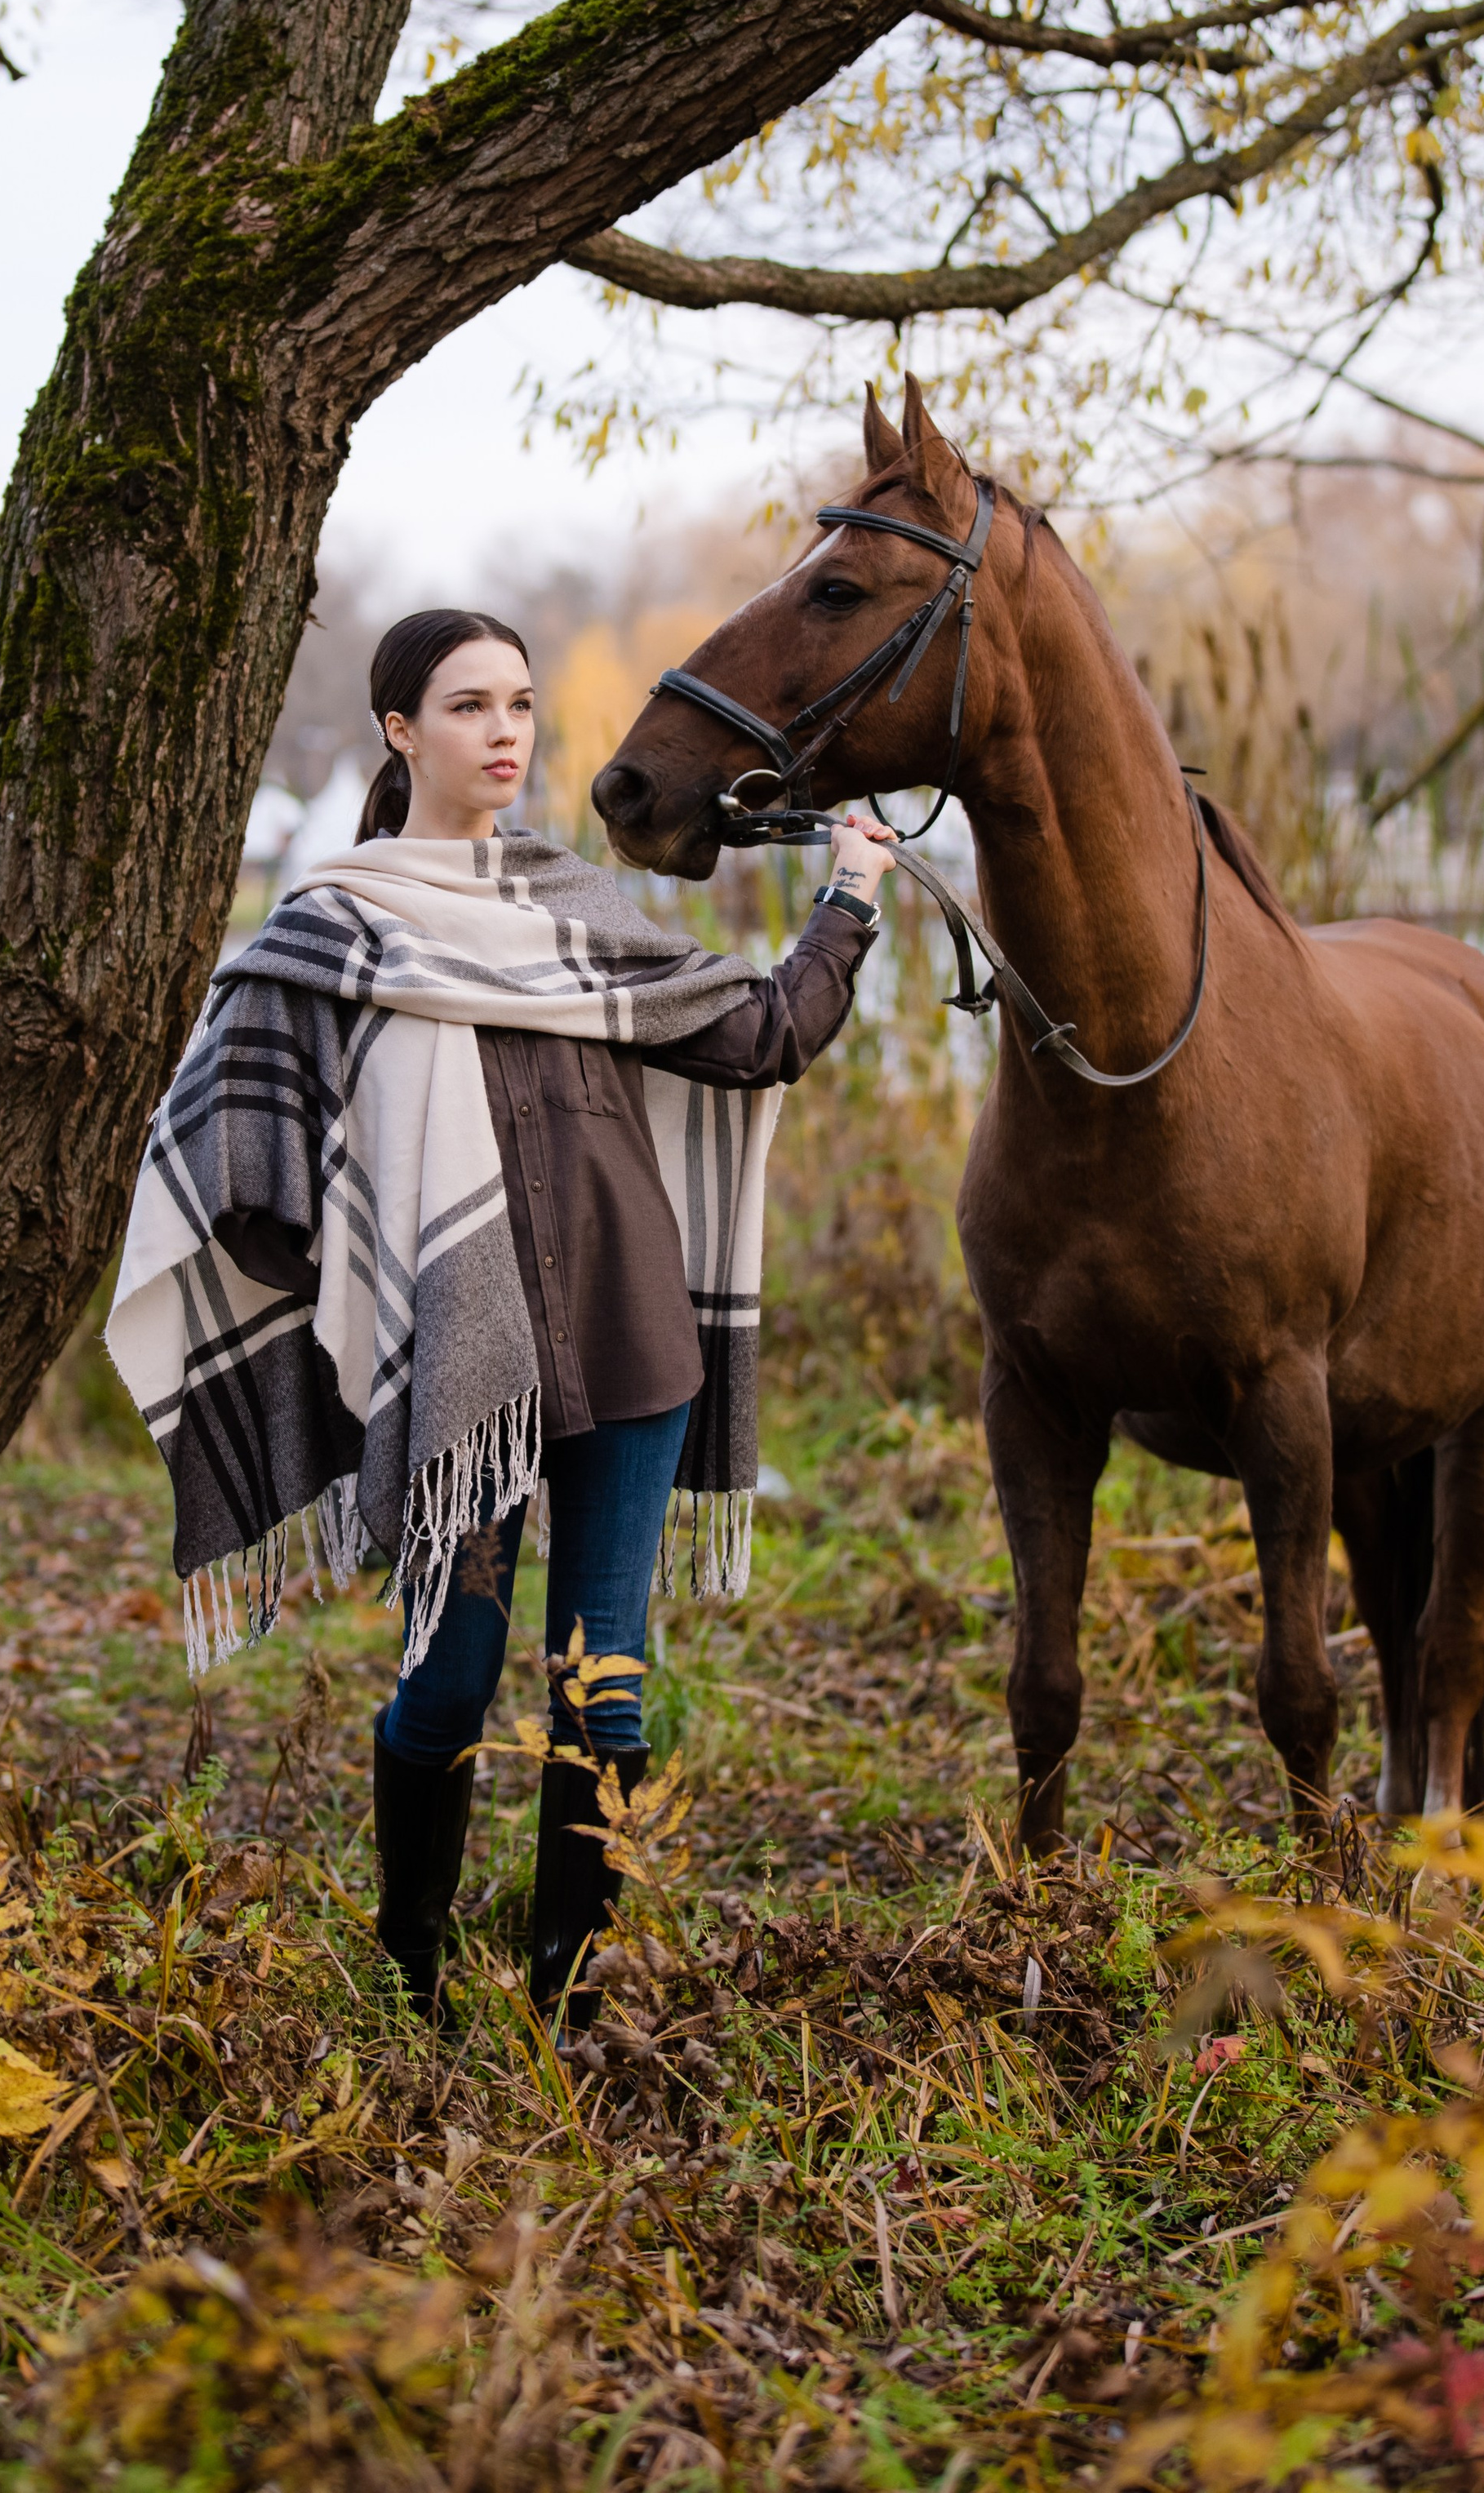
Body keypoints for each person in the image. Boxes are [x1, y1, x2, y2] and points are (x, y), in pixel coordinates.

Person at [108, 609, 894, 2032]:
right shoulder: (334, 926)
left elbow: (766, 1035)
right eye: (470, 705)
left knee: (606, 1684)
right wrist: (337, 1263)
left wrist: (852, 896)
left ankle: (568, 1998)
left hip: (629, 1335)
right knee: (449, 1681)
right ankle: (411, 1969)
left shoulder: (575, 909)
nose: (507, 732)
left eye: (521, 703)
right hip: (459, 1357)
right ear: (402, 731)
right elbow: (227, 1127)